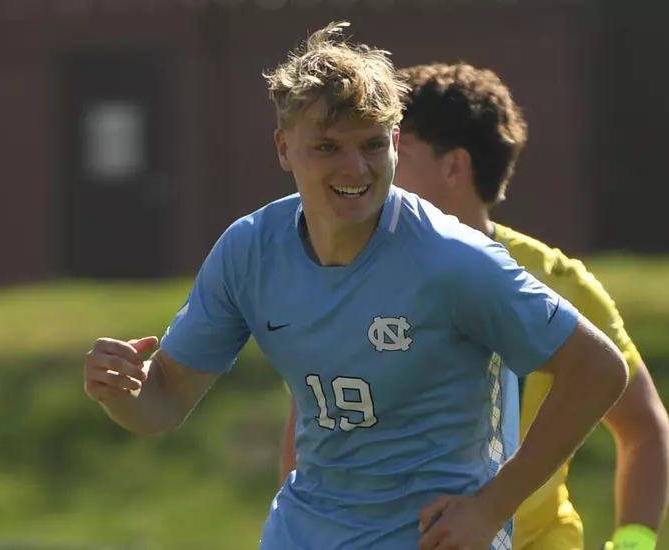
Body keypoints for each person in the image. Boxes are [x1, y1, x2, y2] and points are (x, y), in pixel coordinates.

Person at [83, 23, 629, 550]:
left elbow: (599, 369)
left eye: (372, 145)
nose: (356, 168)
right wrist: (124, 393)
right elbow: (165, 403)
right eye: (327, 147)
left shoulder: (452, 259)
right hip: (305, 532)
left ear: (395, 141)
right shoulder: (249, 251)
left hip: (433, 538)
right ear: (283, 148)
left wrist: (492, 506)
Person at [280, 62, 669, 550]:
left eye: (393, 147)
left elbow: (642, 427)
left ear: (454, 167)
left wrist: (633, 544)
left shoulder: (557, 282)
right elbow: (307, 440)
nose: (369, 167)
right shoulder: (358, 270)